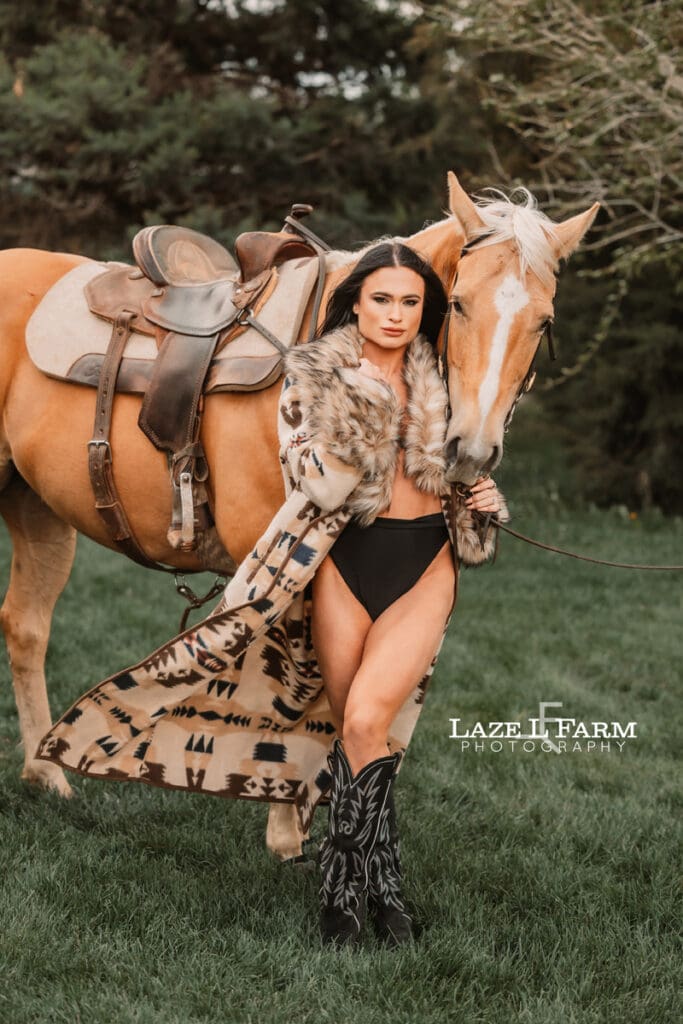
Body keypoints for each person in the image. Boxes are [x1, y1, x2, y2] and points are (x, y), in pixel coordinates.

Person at [37, 241, 507, 950]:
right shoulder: (310, 377)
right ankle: (374, 888)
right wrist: (364, 406)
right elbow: (318, 483)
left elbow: (459, 469)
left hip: (423, 564)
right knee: (357, 731)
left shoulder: (443, 378)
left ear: (425, 310)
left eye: (410, 302)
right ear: (355, 303)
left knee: (367, 720)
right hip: (344, 564)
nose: (395, 314)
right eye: (381, 299)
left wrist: (482, 498)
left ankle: (348, 891)